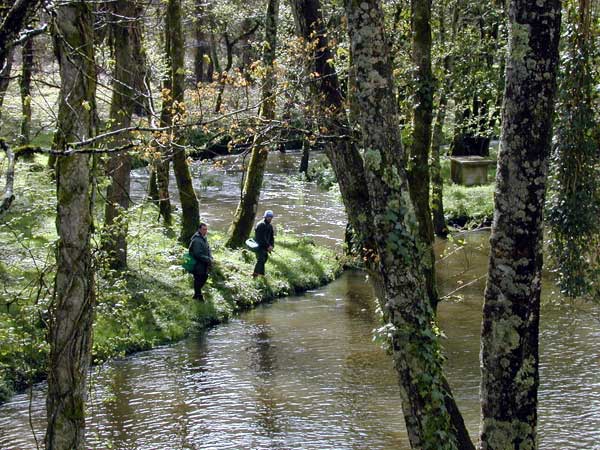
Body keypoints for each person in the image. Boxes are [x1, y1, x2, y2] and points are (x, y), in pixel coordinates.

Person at [189, 222, 213, 300]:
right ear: (199, 229)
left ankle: (197, 294)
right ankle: (198, 295)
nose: (205, 231)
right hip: (197, 264)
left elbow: (208, 249)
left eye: (206, 229)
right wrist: (208, 259)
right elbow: (197, 254)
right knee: (199, 279)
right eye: (203, 229)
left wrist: (210, 257)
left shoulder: (203, 238)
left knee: (204, 277)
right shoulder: (196, 240)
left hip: (203, 263)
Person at [253, 210, 275, 277]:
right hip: (259, 246)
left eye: (271, 217)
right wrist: (268, 246)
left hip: (266, 246)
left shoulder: (270, 226)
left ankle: (261, 274)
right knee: (261, 259)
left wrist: (271, 246)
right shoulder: (261, 225)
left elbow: (272, 237)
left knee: (264, 259)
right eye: (268, 217)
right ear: (265, 217)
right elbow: (260, 238)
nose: (270, 218)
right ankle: (255, 274)